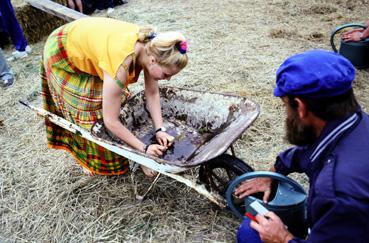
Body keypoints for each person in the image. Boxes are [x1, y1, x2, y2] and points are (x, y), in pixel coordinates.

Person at [235, 50, 369, 242]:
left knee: (250, 234)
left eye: (285, 106)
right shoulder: (356, 121)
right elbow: (308, 152)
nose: (286, 114)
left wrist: (283, 238)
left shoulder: (338, 193)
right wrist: (272, 173)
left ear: (301, 107)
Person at [41, 17, 188, 177]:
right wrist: (145, 150)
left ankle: (134, 150)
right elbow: (110, 121)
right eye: (166, 74)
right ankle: (86, 160)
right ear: (153, 60)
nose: (167, 79)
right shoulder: (121, 64)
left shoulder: (152, 49)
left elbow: (152, 93)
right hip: (63, 50)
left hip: (92, 45)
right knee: (93, 111)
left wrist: (160, 129)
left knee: (120, 101)